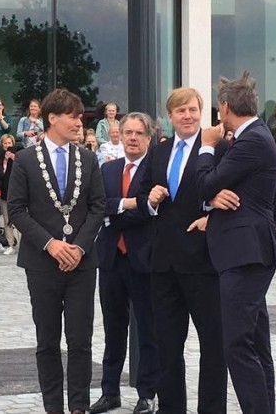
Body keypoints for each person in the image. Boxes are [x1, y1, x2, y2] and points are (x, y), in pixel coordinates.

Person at [7, 88, 105, 414]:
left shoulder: (89, 159)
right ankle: (54, 407)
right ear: (53, 118)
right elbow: (18, 210)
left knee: (80, 340)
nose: (80, 122)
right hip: (42, 262)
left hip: (80, 263)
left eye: (80, 117)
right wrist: (51, 244)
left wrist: (77, 247)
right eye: (73, 116)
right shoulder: (24, 160)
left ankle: (78, 407)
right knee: (48, 341)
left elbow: (98, 207)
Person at [137, 87, 226, 414]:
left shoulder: (217, 147)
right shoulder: (158, 152)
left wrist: (211, 216)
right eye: (180, 111)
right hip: (163, 265)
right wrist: (150, 200)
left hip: (203, 264)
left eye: (192, 110)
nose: (187, 116)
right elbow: (142, 197)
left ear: (200, 113)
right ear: (170, 116)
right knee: (167, 347)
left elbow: (231, 194)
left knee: (213, 347)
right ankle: (171, 408)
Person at [197, 72, 276, 414]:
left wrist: (204, 145)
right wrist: (214, 200)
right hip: (245, 251)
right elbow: (218, 188)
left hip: (245, 253)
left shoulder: (252, 140)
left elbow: (205, 182)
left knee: (237, 345)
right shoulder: (251, 138)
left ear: (225, 107)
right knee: (256, 344)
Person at [89, 112, 158, 414]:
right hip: (111, 260)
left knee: (147, 329)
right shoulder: (108, 169)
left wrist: (116, 213)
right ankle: (109, 391)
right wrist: (128, 205)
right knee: (113, 328)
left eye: (138, 133)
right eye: (127, 132)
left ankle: (147, 394)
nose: (132, 138)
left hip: (143, 261)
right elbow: (97, 205)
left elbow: (150, 210)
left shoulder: (156, 171)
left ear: (148, 138)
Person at [0, 134, 19, 255]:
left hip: (17, 193)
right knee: (7, 220)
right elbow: (1, 173)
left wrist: (13, 158)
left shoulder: (19, 155)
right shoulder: (0, 157)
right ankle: (11, 244)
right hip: (4, 192)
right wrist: (6, 160)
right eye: (5, 143)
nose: (7, 146)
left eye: (9, 143)